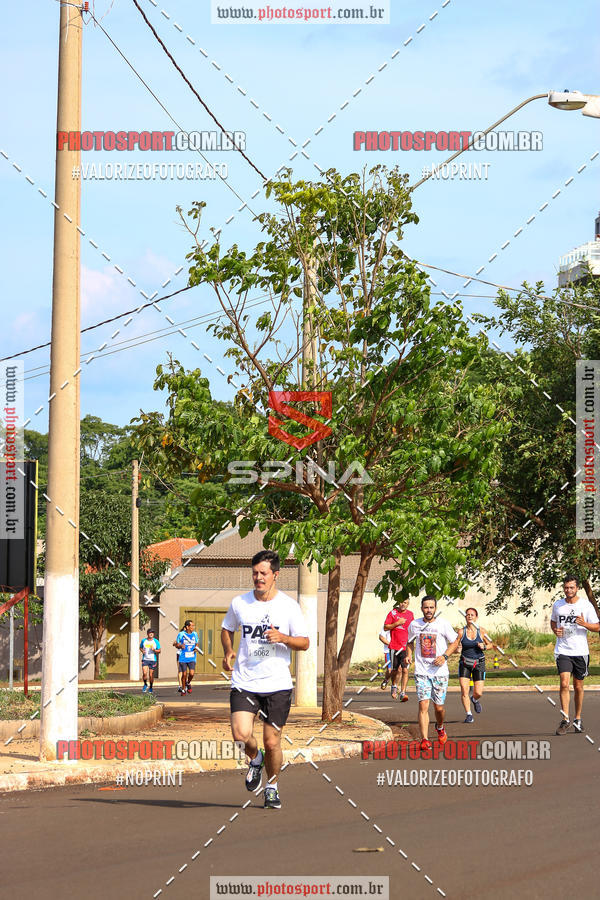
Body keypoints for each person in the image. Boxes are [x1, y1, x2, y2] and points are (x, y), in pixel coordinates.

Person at [221, 549, 309, 810]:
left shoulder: (289, 606)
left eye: (263, 573)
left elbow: (304, 642)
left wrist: (283, 638)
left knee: (272, 742)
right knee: (240, 735)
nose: (258, 578)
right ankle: (255, 758)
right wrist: (228, 650)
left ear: (275, 575)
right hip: (245, 681)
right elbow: (227, 629)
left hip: (277, 685)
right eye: (255, 573)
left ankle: (272, 787)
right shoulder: (240, 603)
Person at [407, 595, 459, 749]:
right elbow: (409, 642)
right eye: (426, 607)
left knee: (439, 708)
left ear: (435, 609)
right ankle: (424, 739)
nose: (428, 610)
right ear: (421, 608)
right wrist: (409, 655)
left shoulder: (443, 624)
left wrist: (444, 656)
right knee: (423, 705)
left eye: (431, 607)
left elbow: (455, 642)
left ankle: (440, 726)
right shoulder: (414, 625)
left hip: (440, 673)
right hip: (422, 672)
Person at [551, 575, 599, 735]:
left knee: (578, 686)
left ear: (577, 588)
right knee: (564, 683)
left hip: (580, 651)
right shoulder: (558, 605)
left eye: (571, 587)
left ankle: (578, 719)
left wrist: (584, 624)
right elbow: (553, 621)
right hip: (563, 650)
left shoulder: (585, 605)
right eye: (566, 587)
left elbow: (597, 627)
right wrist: (555, 630)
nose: (568, 590)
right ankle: (565, 720)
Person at [457, 608, 493, 723]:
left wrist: (484, 647)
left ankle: (475, 699)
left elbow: (491, 644)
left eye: (472, 615)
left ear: (476, 617)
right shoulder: (461, 632)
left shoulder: (481, 631)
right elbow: (455, 645)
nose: (470, 616)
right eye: (467, 615)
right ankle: (469, 714)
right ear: (465, 617)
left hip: (479, 663)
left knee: (478, 692)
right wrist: (458, 649)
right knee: (464, 690)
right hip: (465, 663)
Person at [383, 598, 414, 701]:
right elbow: (385, 627)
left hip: (405, 647)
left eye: (405, 603)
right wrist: (397, 623)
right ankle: (394, 686)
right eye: (401, 602)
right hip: (394, 647)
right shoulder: (393, 613)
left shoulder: (410, 614)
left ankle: (403, 692)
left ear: (408, 604)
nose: (403, 604)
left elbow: (413, 630)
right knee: (395, 670)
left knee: (405, 669)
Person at [174, 620, 200, 694]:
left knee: (191, 673)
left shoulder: (195, 634)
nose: (193, 627)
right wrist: (180, 646)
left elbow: (197, 643)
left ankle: (188, 683)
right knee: (184, 674)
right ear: (187, 627)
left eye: (193, 625)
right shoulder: (181, 634)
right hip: (183, 657)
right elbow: (176, 644)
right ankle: (183, 689)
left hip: (192, 657)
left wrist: (196, 648)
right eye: (192, 626)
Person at [140, 628, 161, 694]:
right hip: (145, 659)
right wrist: (142, 651)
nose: (151, 634)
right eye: (150, 633)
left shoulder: (156, 641)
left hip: (153, 660)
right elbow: (140, 647)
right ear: (147, 634)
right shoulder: (144, 640)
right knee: (144, 673)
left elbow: (159, 650)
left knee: (151, 675)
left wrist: (154, 650)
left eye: (152, 633)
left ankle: (151, 687)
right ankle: (145, 684)